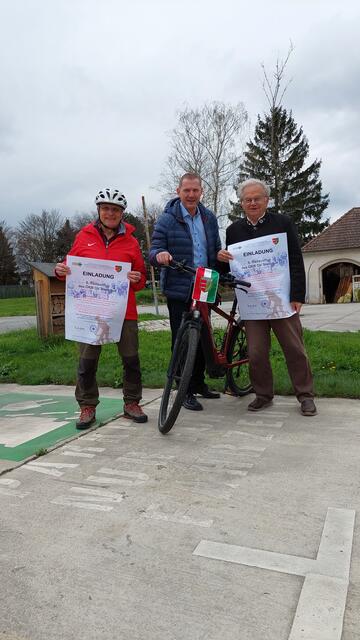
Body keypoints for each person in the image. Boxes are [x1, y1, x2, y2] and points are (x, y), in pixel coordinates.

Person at [218, 178, 317, 417]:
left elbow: (295, 259)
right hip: (251, 302)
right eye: (247, 199)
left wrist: (297, 295)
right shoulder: (233, 230)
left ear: (266, 200)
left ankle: (305, 396)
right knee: (256, 352)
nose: (252, 202)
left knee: (294, 349)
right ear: (241, 202)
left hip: (281, 299)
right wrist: (221, 260)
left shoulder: (282, 223)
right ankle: (263, 395)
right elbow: (232, 269)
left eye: (257, 198)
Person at [55, 188, 148, 428]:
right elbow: (70, 268)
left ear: (122, 214)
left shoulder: (131, 241)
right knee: (87, 361)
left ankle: (131, 403)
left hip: (123, 310)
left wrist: (136, 278)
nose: (110, 213)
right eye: (106, 208)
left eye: (115, 209)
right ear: (99, 210)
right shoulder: (83, 236)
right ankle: (87, 406)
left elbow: (141, 280)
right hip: (89, 310)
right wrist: (61, 270)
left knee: (131, 360)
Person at [150, 172, 228, 411]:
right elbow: (153, 252)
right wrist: (160, 256)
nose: (191, 195)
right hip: (179, 285)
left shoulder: (209, 218)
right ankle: (183, 390)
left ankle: (198, 383)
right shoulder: (166, 220)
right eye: (187, 191)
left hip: (206, 283)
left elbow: (214, 249)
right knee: (182, 341)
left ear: (201, 191)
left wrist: (220, 258)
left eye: (195, 190)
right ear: (178, 192)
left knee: (203, 336)